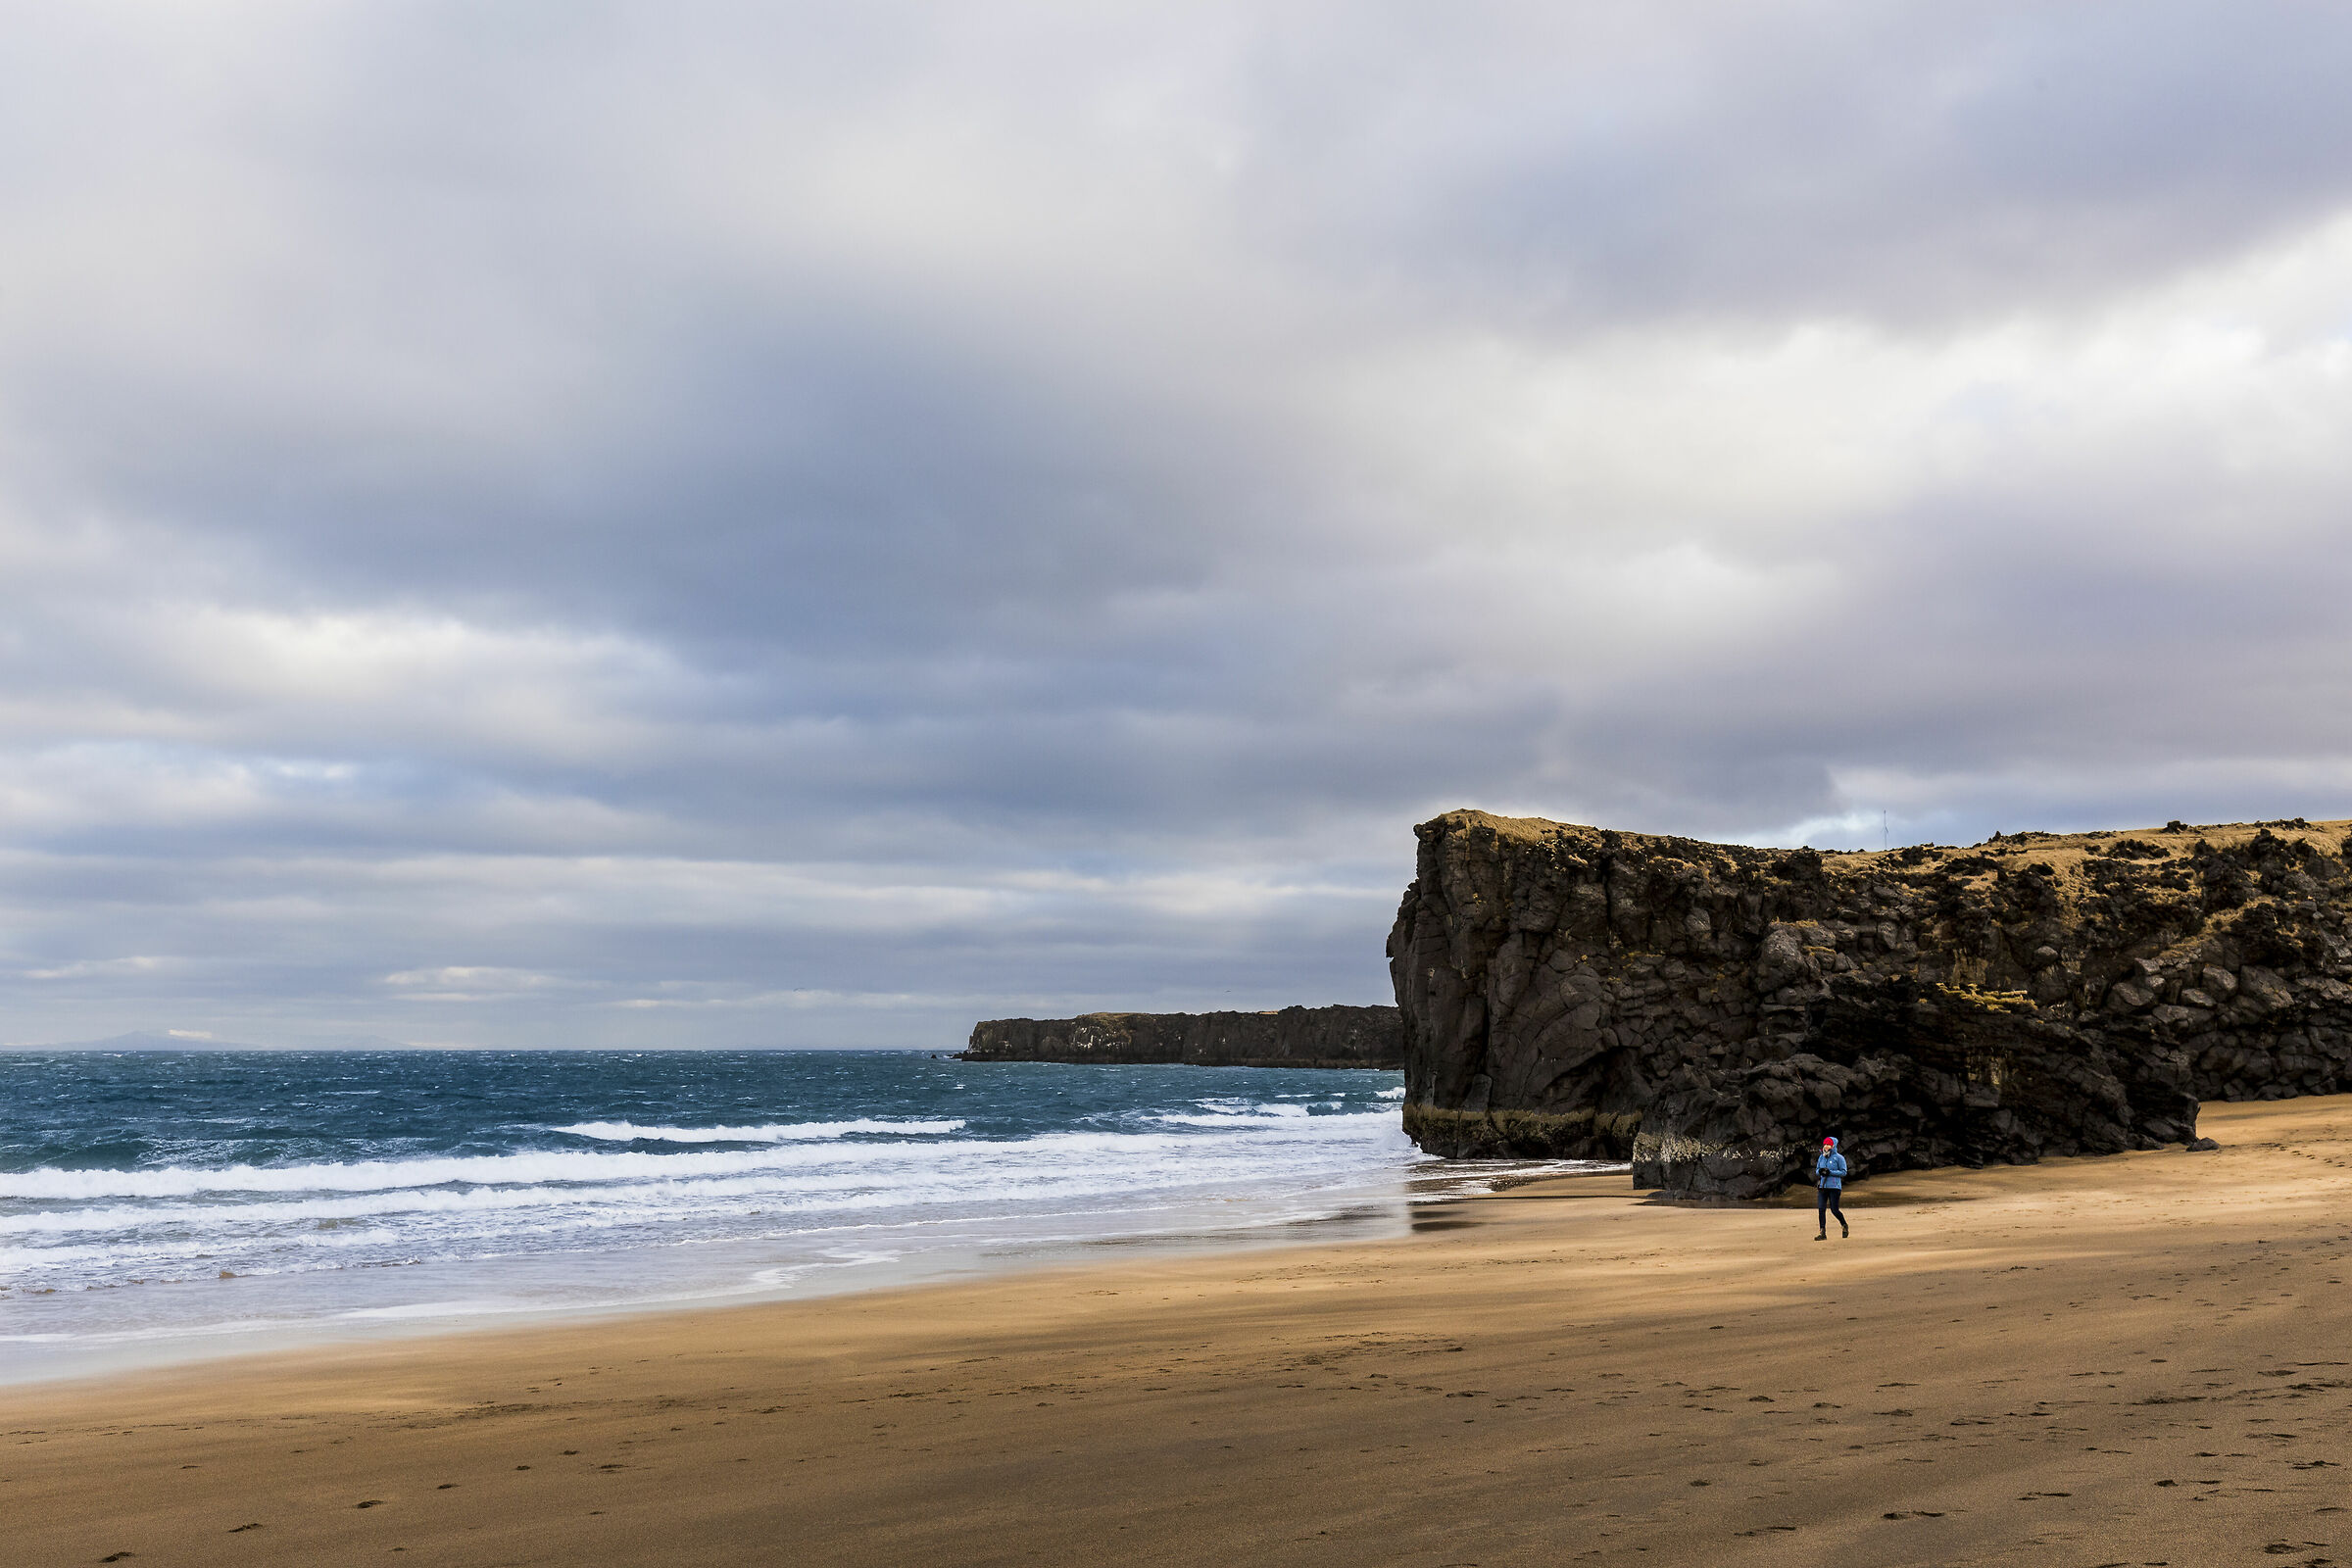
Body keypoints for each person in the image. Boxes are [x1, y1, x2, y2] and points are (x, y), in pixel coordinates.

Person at [1813, 1136, 1848, 1240]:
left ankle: (1844, 1225)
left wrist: (1830, 1172)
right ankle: (1822, 1233)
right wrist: (1820, 1171)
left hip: (1834, 1187)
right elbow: (1817, 1170)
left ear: (1833, 1146)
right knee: (1821, 1209)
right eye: (1825, 1144)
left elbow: (1844, 1172)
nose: (1826, 1146)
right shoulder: (1821, 1157)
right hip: (1822, 1186)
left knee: (1834, 1210)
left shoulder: (1839, 1158)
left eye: (1828, 1144)